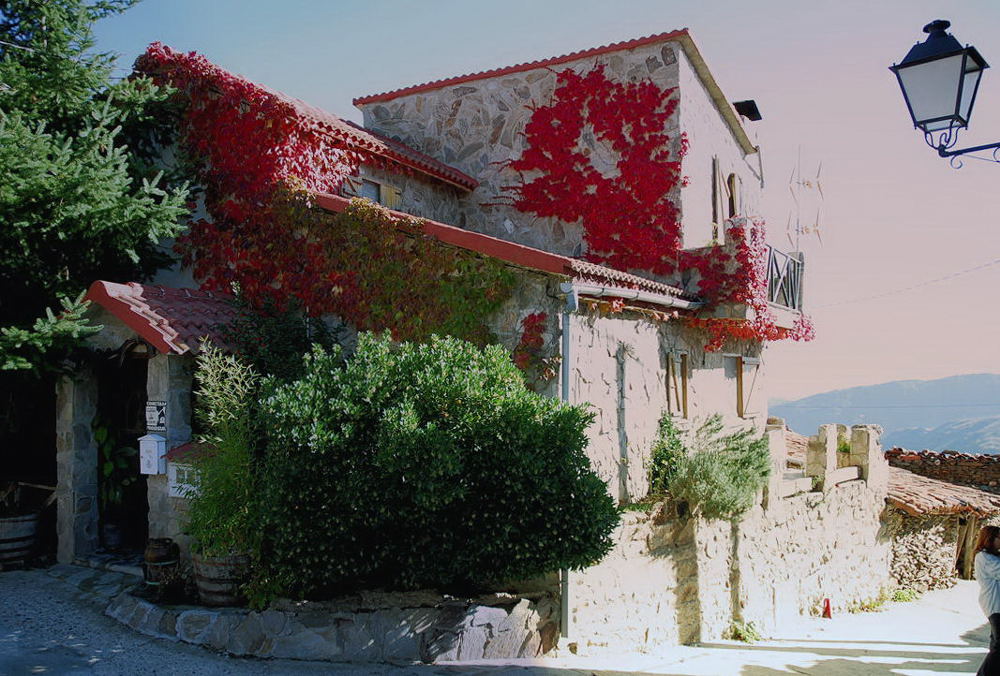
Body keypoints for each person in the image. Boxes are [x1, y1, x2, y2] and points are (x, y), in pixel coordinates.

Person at [976, 525, 1000, 675]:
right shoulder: (985, 557)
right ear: (990, 539)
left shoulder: (994, 557)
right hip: (995, 606)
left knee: (995, 643)